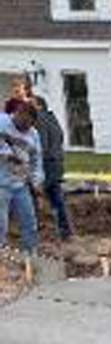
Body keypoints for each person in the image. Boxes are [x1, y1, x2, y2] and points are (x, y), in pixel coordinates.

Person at [0, 100, 43, 257]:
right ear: (17, 114)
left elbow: (36, 159)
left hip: (21, 184)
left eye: (30, 125)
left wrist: (37, 181)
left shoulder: (33, 134)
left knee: (29, 221)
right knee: (1, 223)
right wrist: (7, 155)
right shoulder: (2, 122)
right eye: (24, 124)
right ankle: (2, 256)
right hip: (1, 184)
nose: (26, 129)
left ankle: (31, 254)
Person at [33, 97, 72, 240]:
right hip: (57, 162)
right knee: (56, 197)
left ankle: (40, 230)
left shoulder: (40, 120)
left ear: (38, 106)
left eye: (31, 104)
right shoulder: (52, 118)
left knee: (37, 195)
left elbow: (41, 145)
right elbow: (60, 138)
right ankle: (64, 231)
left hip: (47, 163)